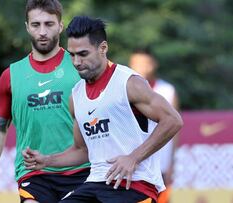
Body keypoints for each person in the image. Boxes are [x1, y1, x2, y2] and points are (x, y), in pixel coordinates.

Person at [23, 16, 183, 203]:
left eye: (83, 54)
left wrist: (133, 158)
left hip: (135, 186)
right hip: (95, 184)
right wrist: (47, 161)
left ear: (103, 48)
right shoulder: (76, 96)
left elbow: (173, 120)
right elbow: (82, 150)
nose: (76, 62)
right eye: (72, 55)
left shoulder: (129, 83)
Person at [0, 1, 90, 203]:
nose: (42, 31)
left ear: (60, 26)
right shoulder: (11, 76)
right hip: (34, 173)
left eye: (49, 24)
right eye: (36, 25)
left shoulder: (81, 67)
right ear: (27, 27)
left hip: (81, 170)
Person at [129, 47, 180, 203]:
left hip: (160, 161)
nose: (142, 68)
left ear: (153, 64)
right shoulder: (123, 89)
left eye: (145, 63)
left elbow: (176, 128)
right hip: (134, 162)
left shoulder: (167, 90)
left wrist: (172, 161)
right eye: (137, 63)